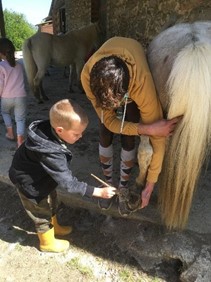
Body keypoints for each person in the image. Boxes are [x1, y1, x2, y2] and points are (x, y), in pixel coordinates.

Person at [81, 36, 181, 216]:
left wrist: (150, 184)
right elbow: (110, 122)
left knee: (129, 135)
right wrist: (147, 129)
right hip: (113, 82)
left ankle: (123, 187)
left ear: (127, 93)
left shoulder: (141, 84)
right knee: (105, 131)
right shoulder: (87, 76)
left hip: (131, 75)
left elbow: (159, 139)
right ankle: (108, 183)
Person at [9, 99, 116, 253]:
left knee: (52, 200)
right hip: (29, 183)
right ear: (59, 130)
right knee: (41, 211)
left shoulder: (50, 129)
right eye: (76, 133)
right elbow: (69, 183)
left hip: (43, 177)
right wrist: (97, 192)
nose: (80, 137)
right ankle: (47, 243)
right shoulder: (51, 153)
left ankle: (55, 227)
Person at [0, 38, 26, 148]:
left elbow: (0, 84)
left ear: (1, 53)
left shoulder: (1, 66)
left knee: (5, 113)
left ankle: (10, 133)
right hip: (20, 96)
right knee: (20, 119)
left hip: (6, 97)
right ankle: (20, 141)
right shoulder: (20, 65)